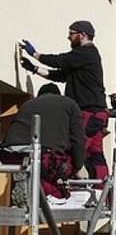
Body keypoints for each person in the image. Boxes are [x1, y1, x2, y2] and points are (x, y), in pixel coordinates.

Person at [19, 21, 109, 182]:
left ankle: (60, 191)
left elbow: (58, 61)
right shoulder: (82, 60)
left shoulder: (86, 53)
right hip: (97, 114)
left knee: (74, 150)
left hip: (89, 112)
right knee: (94, 155)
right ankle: (100, 191)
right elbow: (59, 75)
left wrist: (34, 54)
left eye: (71, 33)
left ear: (82, 35)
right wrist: (33, 69)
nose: (68, 37)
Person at [0, 83, 86, 203]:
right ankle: (47, 197)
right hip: (43, 154)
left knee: (31, 173)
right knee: (57, 186)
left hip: (9, 153)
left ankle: (25, 189)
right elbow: (78, 139)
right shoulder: (69, 103)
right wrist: (79, 165)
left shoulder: (27, 104)